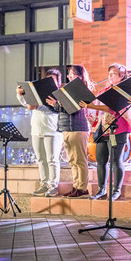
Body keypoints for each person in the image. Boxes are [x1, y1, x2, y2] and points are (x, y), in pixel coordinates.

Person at [80, 63, 131, 201]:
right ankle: (101, 189)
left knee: (116, 160)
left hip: (119, 128)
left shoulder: (124, 91)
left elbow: (114, 108)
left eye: (114, 73)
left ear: (122, 75)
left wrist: (92, 105)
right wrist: (89, 105)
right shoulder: (104, 91)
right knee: (101, 160)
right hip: (103, 128)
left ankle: (116, 190)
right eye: (109, 73)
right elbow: (95, 109)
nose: (110, 76)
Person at [46, 65, 95, 198]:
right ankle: (76, 186)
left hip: (78, 128)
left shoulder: (81, 90)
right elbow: (61, 108)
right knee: (72, 160)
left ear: (80, 76)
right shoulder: (66, 90)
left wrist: (57, 104)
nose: (70, 77)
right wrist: (55, 105)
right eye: (69, 74)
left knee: (80, 160)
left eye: (73, 74)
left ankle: (83, 188)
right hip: (66, 128)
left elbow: (73, 108)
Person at [16, 69, 63, 197]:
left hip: (53, 130)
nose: (52, 82)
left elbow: (56, 110)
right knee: (41, 159)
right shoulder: (38, 91)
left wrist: (39, 105)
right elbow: (29, 105)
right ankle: (44, 184)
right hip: (37, 129)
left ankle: (53, 186)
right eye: (49, 80)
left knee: (52, 159)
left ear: (58, 82)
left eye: (54, 80)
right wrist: (20, 95)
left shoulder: (60, 95)